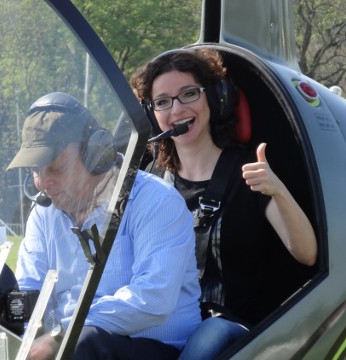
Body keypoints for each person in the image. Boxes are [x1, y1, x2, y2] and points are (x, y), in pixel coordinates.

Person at [131, 48, 318, 359]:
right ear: (152, 113)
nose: (176, 109)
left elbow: (307, 253)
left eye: (189, 94)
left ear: (214, 98)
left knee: (209, 335)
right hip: (165, 326)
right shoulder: (148, 182)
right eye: (163, 101)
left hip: (229, 330)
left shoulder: (248, 175)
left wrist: (278, 191)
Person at [6, 92, 201, 360]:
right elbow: (29, 288)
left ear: (94, 153)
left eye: (54, 168)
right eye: (35, 171)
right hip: (71, 346)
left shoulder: (156, 202)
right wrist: (21, 337)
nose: (42, 182)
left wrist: (62, 335)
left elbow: (153, 299)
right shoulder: (43, 214)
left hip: (153, 348)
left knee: (86, 343)